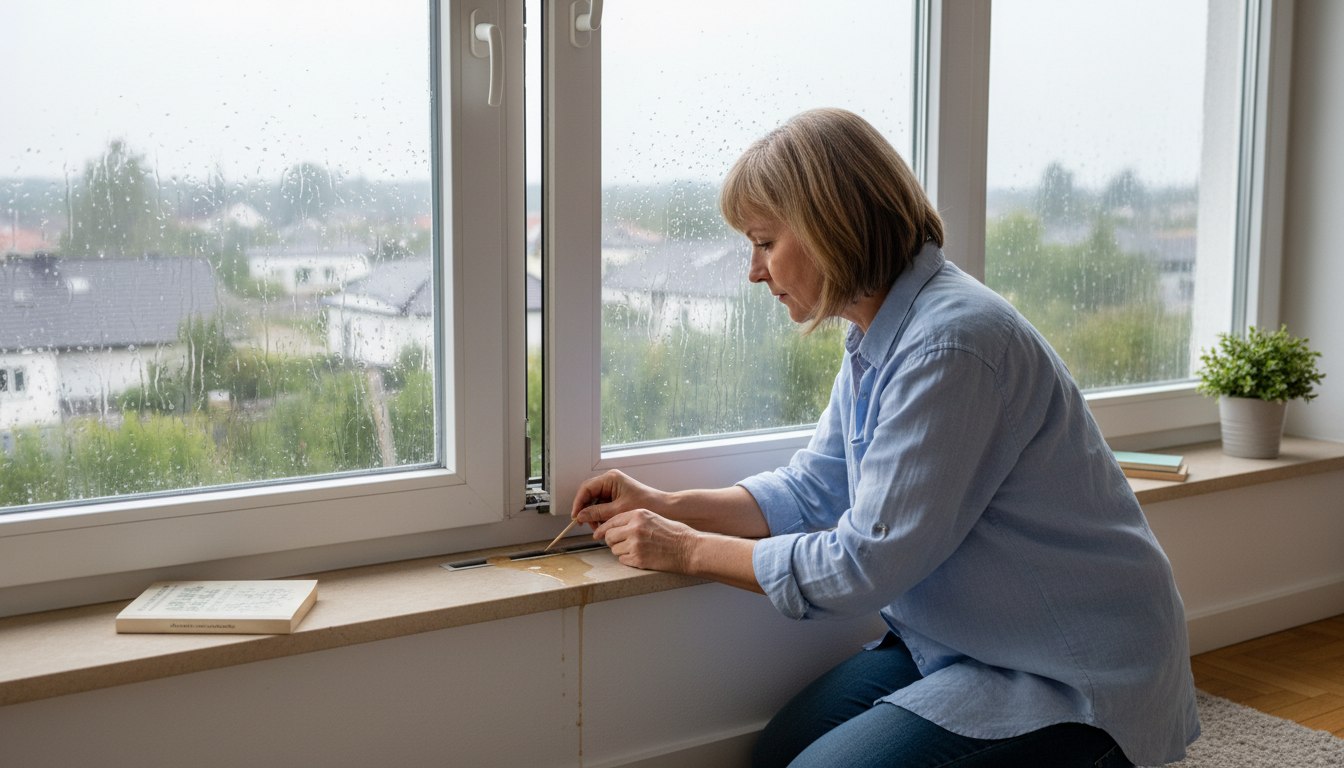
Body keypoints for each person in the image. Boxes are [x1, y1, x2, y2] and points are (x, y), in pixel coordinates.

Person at [569, 108, 1200, 767]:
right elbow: (819, 486)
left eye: (762, 242)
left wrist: (688, 550)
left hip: (1069, 668)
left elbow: (859, 566)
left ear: (828, 229)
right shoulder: (878, 329)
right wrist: (668, 504)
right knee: (778, 751)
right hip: (964, 641)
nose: (753, 271)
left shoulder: (951, 346)